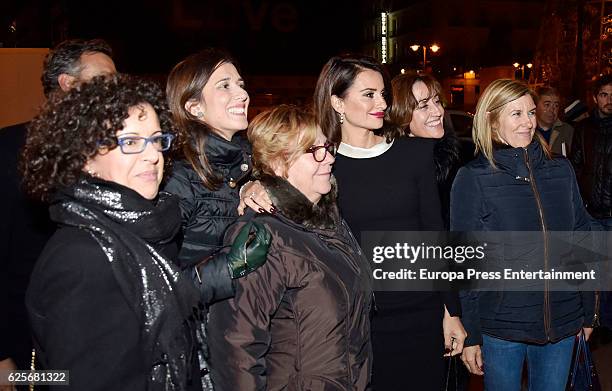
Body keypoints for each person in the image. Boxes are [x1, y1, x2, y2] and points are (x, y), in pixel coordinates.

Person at [313, 54, 466, 391]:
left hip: (420, 315)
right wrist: (252, 188)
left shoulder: (413, 154)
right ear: (337, 101)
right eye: (368, 94)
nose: (381, 103)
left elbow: (434, 235)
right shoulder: (322, 162)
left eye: (383, 94)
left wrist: (450, 311)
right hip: (356, 322)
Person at [208, 105, 373, 390]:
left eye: (328, 147)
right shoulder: (259, 235)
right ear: (278, 163)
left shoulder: (329, 222)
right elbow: (236, 347)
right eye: (315, 150)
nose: (330, 158)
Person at [451, 79, 596, 391]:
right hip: (502, 326)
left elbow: (582, 238)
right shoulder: (473, 178)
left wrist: (588, 312)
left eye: (530, 113)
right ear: (491, 119)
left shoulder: (561, 170)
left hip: (562, 321)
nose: (528, 122)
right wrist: (472, 334)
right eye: (515, 114)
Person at [0, 38, 116, 383]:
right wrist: (3, 358)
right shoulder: (9, 151)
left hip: (97, 345)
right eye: (105, 79)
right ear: (67, 84)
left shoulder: (114, 154)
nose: (116, 89)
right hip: (28, 351)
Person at [389, 72, 462, 228]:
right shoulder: (390, 170)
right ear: (401, 114)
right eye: (423, 106)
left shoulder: (455, 161)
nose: (438, 111)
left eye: (437, 101)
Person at [571, 74, 612, 230]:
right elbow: (576, 167)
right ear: (595, 98)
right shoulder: (582, 128)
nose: (609, 100)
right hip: (588, 213)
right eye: (604, 95)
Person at [534, 86, 574, 156]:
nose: (552, 110)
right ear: (535, 106)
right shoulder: (527, 130)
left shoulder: (567, 131)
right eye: (547, 105)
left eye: (556, 105)